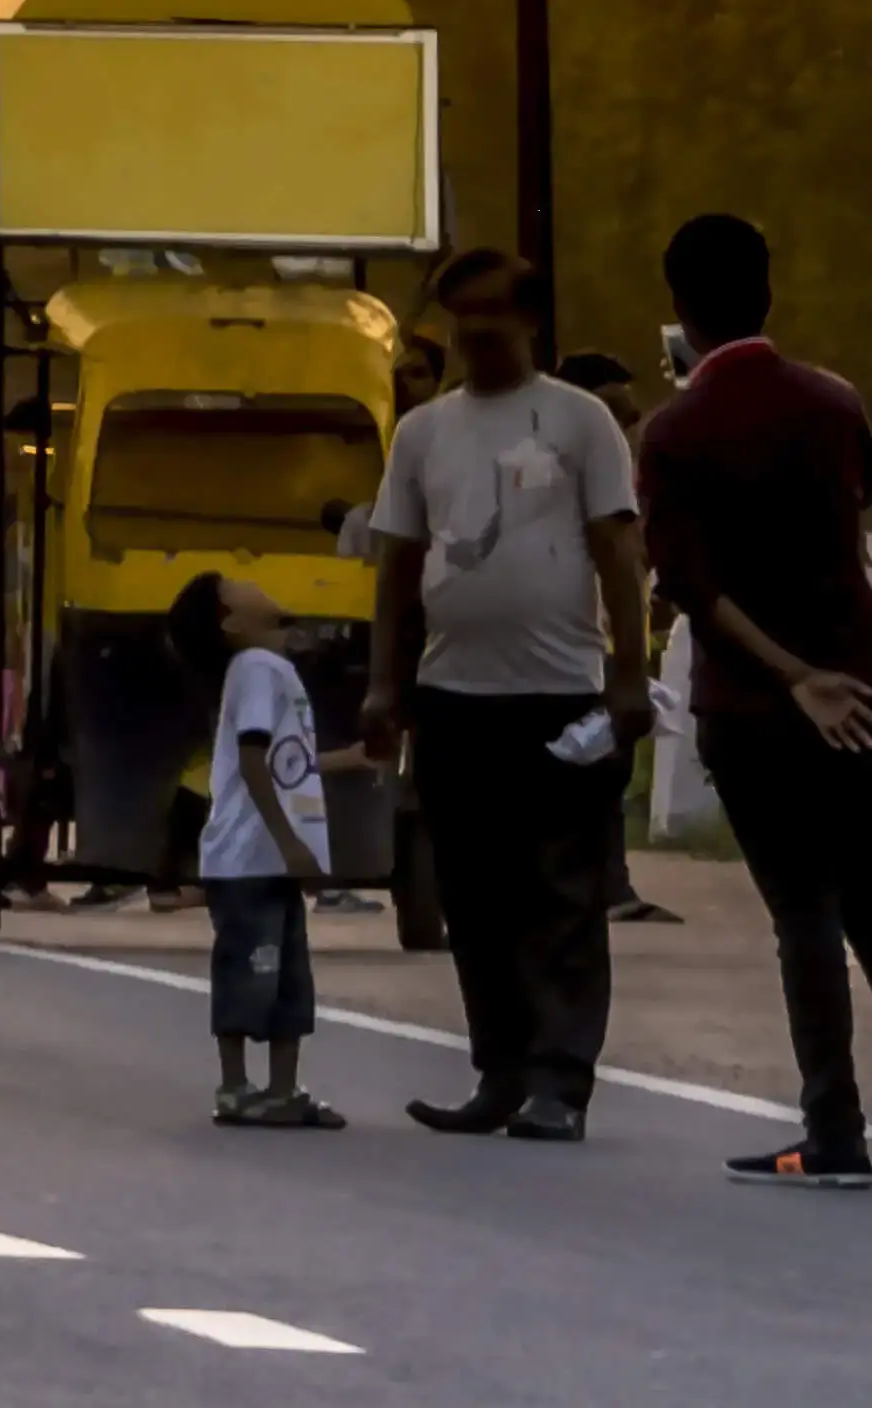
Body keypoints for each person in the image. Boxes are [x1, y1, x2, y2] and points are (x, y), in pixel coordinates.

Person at [361, 244, 647, 1141]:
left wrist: (630, 673)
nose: (476, 328)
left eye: (493, 310)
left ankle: (561, 1080)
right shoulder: (422, 433)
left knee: (559, 895)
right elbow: (398, 564)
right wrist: (384, 684)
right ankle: (499, 1072)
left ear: (529, 319)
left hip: (560, 696)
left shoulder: (580, 421)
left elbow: (616, 548)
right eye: (461, 313)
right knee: (474, 896)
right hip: (454, 696)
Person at [633, 208, 872, 1186]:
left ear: (680, 309)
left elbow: (694, 585)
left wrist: (789, 675)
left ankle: (834, 1126)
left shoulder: (677, 430)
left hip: (754, 705)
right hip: (860, 688)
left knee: (804, 915)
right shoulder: (834, 402)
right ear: (769, 291)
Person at [168, 568, 354, 1128]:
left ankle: (281, 1091)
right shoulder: (255, 669)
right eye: (235, 586)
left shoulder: (269, 669)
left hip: (268, 859)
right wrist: (292, 845)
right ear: (231, 621)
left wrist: (353, 759)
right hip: (251, 859)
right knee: (249, 970)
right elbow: (253, 762)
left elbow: (284, 762)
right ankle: (235, 1087)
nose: (252, 583)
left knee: (289, 977)